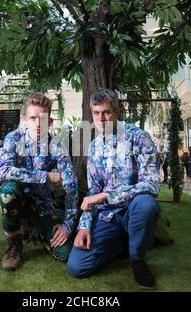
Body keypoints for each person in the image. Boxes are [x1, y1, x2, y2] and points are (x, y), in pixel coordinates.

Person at [67, 88, 160, 290]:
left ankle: (137, 259)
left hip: (133, 210)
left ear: (118, 112)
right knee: (77, 267)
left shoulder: (139, 137)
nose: (101, 119)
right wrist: (84, 226)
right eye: (96, 113)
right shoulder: (93, 147)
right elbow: (92, 194)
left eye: (107, 112)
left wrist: (106, 195)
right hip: (107, 216)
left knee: (146, 204)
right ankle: (121, 243)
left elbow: (151, 184)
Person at [0, 93, 78, 271]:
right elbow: (2, 171)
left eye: (43, 118)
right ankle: (14, 242)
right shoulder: (13, 138)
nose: (38, 123)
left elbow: (71, 185)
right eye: (33, 118)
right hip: (18, 198)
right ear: (25, 119)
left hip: (42, 204)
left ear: (50, 121)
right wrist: (45, 176)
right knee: (7, 191)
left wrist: (68, 225)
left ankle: (35, 228)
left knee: (64, 254)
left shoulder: (56, 145)